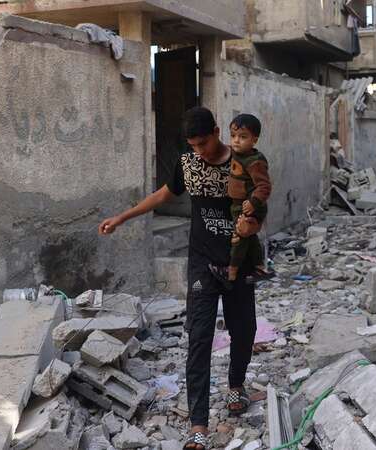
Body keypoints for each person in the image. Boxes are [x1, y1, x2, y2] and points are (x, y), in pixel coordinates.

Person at [98, 107, 256, 450]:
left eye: (204, 143)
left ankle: (236, 385)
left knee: (243, 331)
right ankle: (198, 426)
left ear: (217, 131)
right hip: (202, 264)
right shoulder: (188, 163)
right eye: (194, 145)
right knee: (199, 340)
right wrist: (124, 217)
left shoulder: (244, 162)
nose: (200, 151)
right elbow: (166, 193)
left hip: (239, 262)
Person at [210, 114, 274, 287]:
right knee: (250, 238)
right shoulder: (236, 153)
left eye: (243, 137)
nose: (236, 141)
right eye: (233, 135)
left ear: (254, 140)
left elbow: (265, 187)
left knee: (238, 239)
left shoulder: (255, 162)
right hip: (238, 205)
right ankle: (260, 268)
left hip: (249, 207)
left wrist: (253, 202)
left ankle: (230, 272)